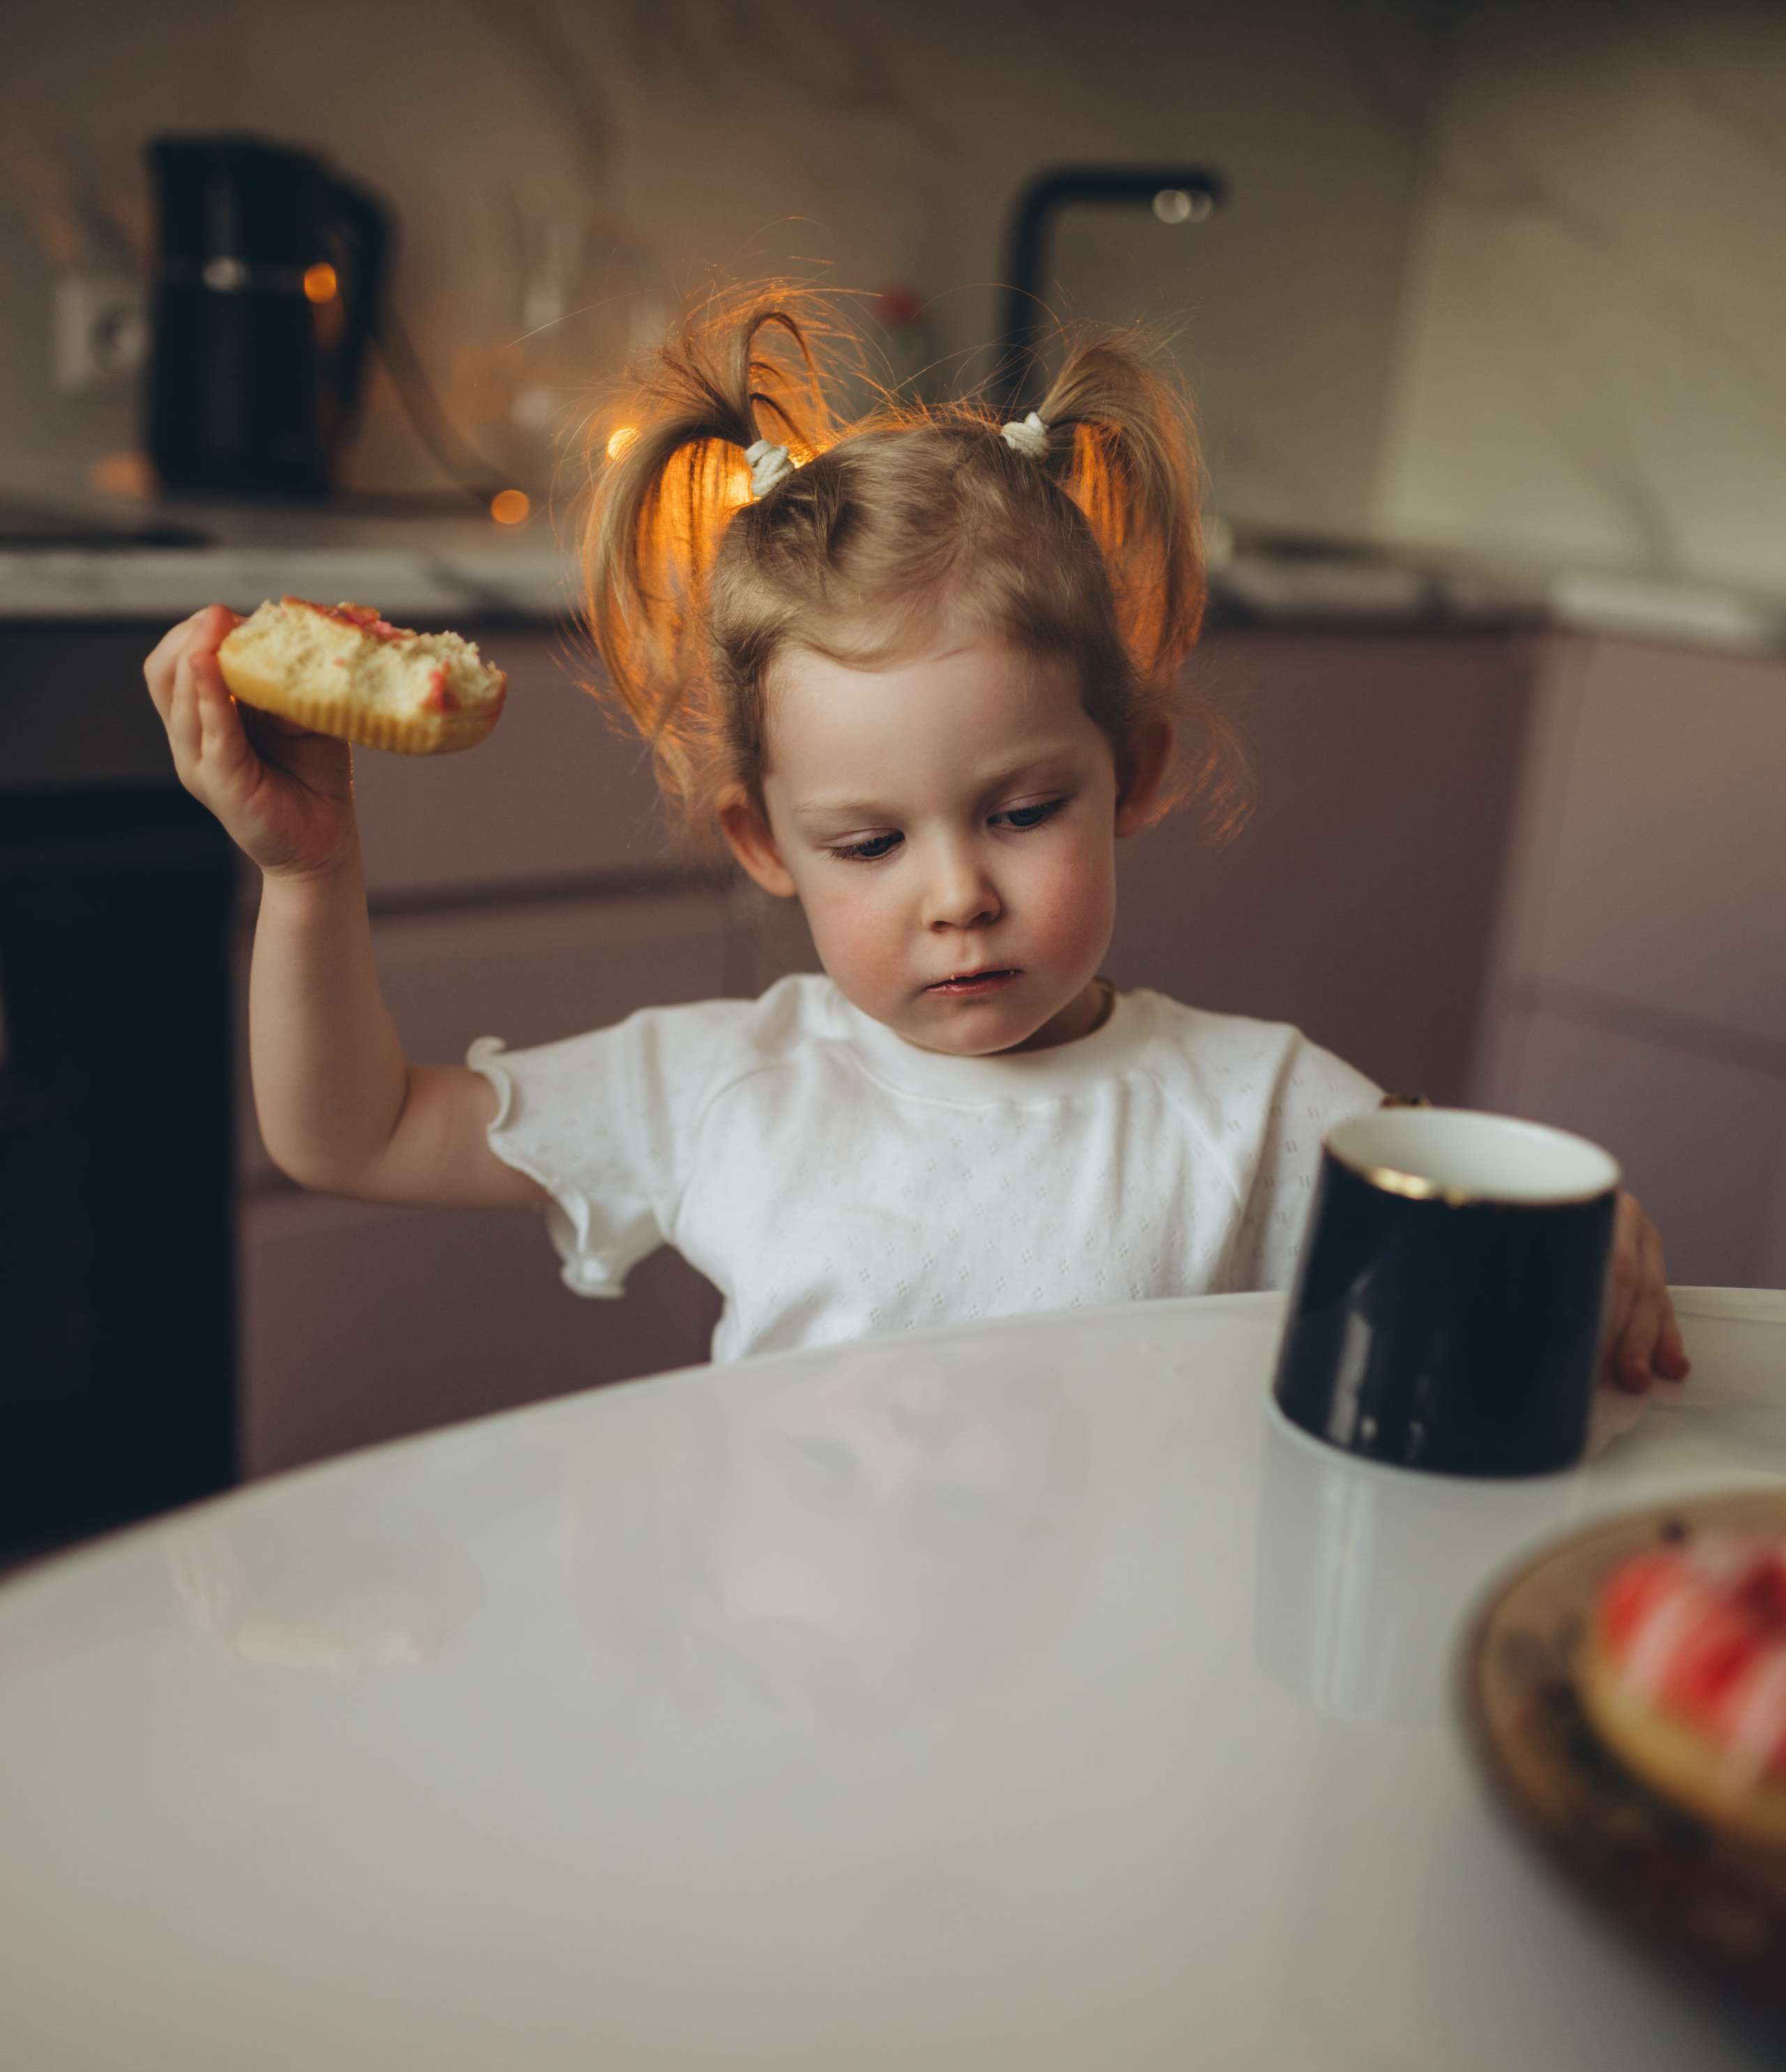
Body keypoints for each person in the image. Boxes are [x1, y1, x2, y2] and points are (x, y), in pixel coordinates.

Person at [144, 289, 1688, 1388]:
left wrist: (1580, 1241)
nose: (958, 896)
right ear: (765, 844)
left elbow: (1463, 1248)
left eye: (1021, 814)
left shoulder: (1252, 1109)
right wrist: (306, 874)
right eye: (867, 845)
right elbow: (352, 1136)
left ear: (1132, 774)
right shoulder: (726, 1089)